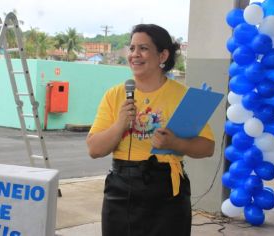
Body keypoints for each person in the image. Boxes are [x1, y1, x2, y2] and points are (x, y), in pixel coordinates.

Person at [86, 24, 215, 236]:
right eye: (132, 48)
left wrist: (176, 144)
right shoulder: (114, 95)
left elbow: (207, 147)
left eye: (143, 48)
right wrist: (120, 124)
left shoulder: (182, 95)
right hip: (121, 188)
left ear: (162, 55)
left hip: (167, 191)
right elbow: (94, 150)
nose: (135, 55)